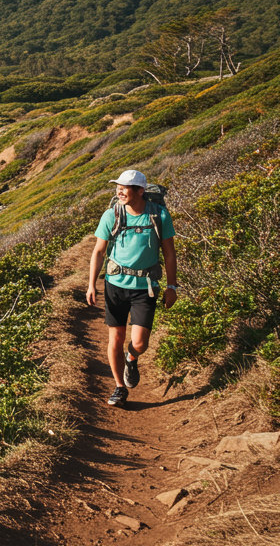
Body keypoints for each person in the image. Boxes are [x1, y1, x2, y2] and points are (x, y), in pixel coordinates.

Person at [86, 170, 178, 407]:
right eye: (118, 186)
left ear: (140, 191)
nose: (119, 191)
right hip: (114, 285)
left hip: (145, 287)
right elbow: (98, 251)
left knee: (140, 343)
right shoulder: (111, 215)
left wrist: (171, 286)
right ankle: (119, 387)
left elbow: (169, 253)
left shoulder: (159, 215)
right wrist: (91, 284)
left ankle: (131, 358)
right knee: (115, 338)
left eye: (125, 187)